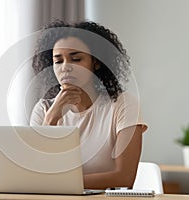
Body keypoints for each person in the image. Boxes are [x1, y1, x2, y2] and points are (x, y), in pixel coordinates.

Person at [30, 20, 148, 189]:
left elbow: (124, 177)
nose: (65, 68)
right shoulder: (44, 110)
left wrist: (58, 183)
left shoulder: (123, 104)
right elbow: (34, 173)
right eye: (58, 61)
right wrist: (51, 119)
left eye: (76, 59)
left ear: (96, 62)